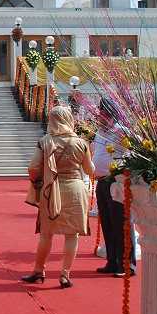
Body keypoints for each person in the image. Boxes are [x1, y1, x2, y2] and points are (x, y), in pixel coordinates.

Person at [22, 105, 95, 289]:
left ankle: (39, 271)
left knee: (46, 234)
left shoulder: (45, 141)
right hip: (76, 189)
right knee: (72, 235)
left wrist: (37, 181)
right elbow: (89, 170)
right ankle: (64, 275)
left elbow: (33, 168)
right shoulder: (81, 142)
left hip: (51, 190)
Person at [91, 99, 136, 276]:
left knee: (122, 224)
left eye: (103, 114)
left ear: (111, 115)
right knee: (108, 224)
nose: (99, 117)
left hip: (116, 183)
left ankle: (127, 264)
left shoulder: (121, 131)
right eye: (99, 114)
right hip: (102, 182)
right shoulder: (100, 132)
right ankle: (112, 261)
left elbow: (134, 150)